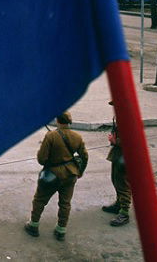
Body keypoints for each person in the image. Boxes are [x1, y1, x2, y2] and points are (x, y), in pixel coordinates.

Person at [25, 112, 88, 241]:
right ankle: (61, 230)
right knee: (65, 203)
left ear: (58, 121)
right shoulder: (77, 137)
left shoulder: (51, 136)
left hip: (53, 174)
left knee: (40, 200)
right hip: (71, 174)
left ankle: (33, 225)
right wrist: (80, 171)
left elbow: (41, 159)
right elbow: (85, 156)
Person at [101, 102, 131, 226]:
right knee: (115, 179)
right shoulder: (119, 117)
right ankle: (119, 204)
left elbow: (130, 139)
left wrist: (115, 141)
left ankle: (124, 212)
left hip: (125, 155)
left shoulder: (127, 119)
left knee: (123, 184)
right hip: (118, 154)